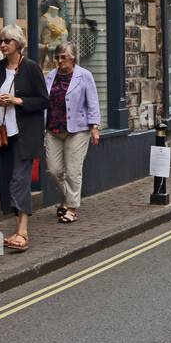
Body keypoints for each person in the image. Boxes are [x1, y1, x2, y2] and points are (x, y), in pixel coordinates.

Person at [0, 24, 48, 252]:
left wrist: (18, 101)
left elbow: (43, 101)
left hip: (26, 134)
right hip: (3, 135)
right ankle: (19, 229)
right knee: (7, 181)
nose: (3, 45)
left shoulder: (31, 68)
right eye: (1, 41)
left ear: (18, 44)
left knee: (19, 181)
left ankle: (22, 232)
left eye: (7, 41)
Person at [44, 43, 101, 225]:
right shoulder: (50, 76)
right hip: (52, 129)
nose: (60, 61)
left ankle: (72, 209)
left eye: (64, 57)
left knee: (73, 171)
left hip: (77, 130)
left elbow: (93, 102)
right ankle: (67, 199)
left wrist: (94, 127)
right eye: (57, 57)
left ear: (73, 58)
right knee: (54, 170)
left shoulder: (84, 76)